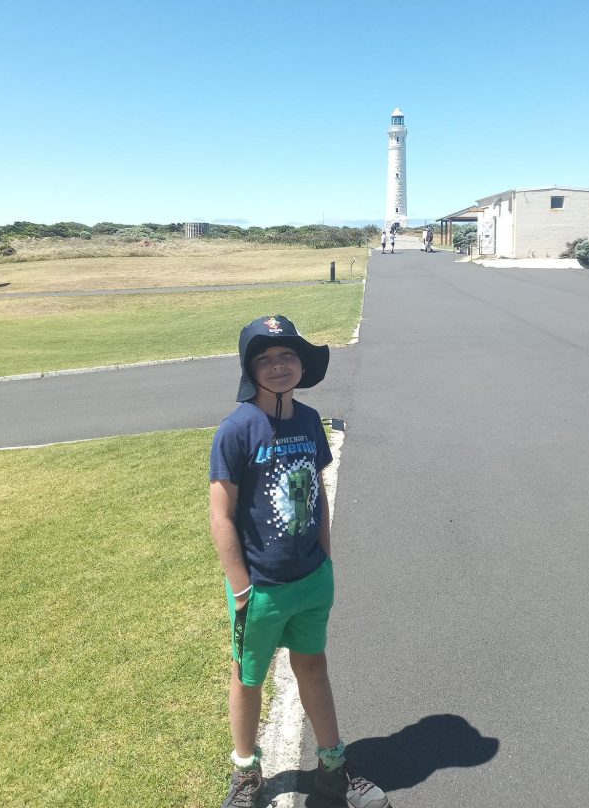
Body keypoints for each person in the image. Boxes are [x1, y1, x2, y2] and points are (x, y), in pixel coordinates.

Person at [210, 315, 391, 808]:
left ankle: (332, 767)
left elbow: (318, 493)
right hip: (261, 589)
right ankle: (246, 773)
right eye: (264, 359)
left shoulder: (309, 420)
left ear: (301, 363)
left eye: (287, 355)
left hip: (312, 578)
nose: (278, 366)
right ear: (250, 370)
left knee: (313, 665)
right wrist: (241, 586)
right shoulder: (236, 429)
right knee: (247, 678)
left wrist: (326, 558)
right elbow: (221, 514)